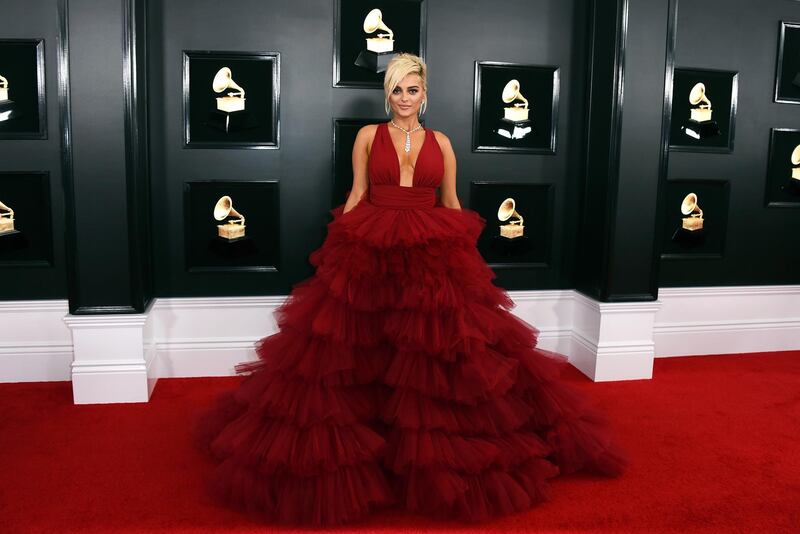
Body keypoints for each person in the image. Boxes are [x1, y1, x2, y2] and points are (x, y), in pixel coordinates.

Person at [194, 53, 627, 526]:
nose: (404, 98)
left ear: (425, 93)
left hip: (429, 249)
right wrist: (342, 247)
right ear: (388, 93)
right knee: (358, 344)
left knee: (430, 353)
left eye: (412, 89)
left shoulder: (441, 142)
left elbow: (452, 202)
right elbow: (358, 193)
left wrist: (464, 258)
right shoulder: (366, 137)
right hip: (373, 242)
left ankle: (430, 451)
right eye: (396, 89)